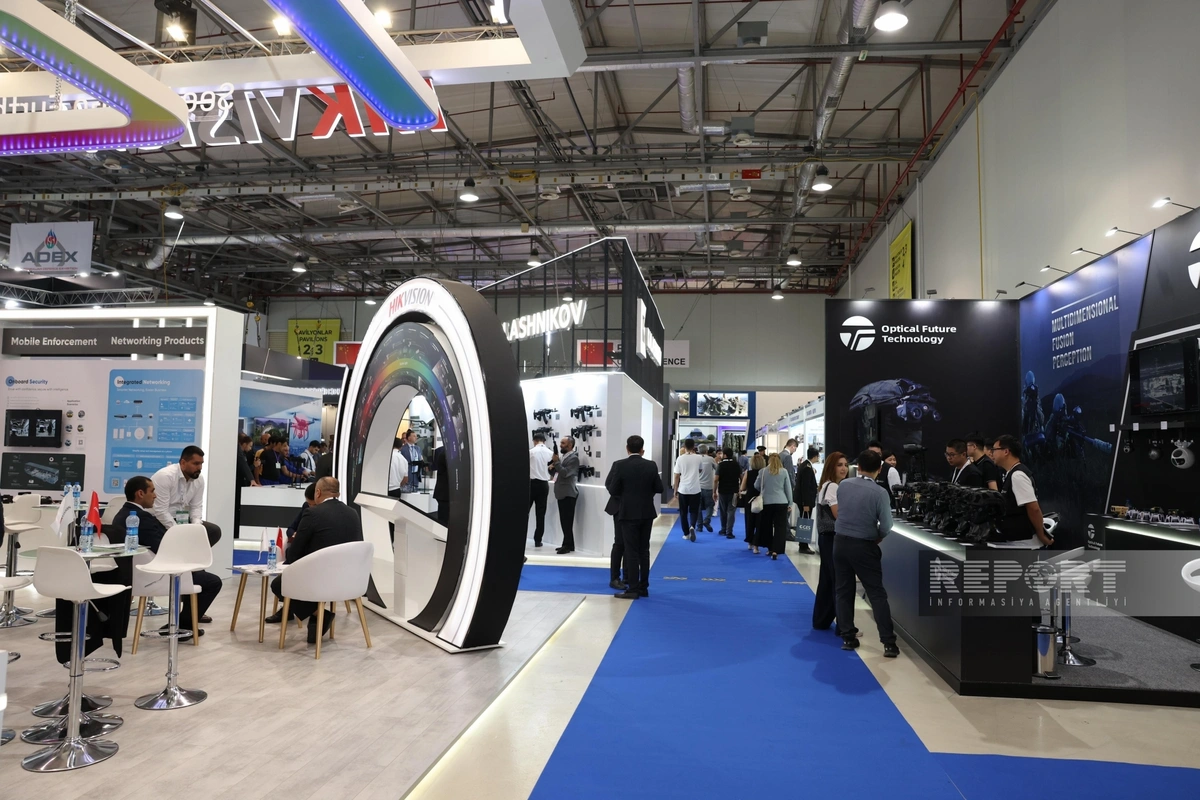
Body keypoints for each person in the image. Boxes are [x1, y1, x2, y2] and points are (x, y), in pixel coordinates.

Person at [113, 476, 222, 632]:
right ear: (140, 494)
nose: (155, 495)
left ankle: (181, 624)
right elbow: (162, 547)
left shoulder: (121, 515)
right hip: (157, 574)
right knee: (213, 582)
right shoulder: (141, 518)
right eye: (152, 491)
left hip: (137, 572)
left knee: (198, 573)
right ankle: (182, 626)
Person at [269, 477, 363, 643]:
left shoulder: (313, 513)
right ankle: (315, 620)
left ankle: (319, 615)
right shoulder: (353, 513)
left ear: (317, 492)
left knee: (278, 584)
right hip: (349, 581)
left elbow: (294, 553)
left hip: (319, 579)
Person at [833, 449, 899, 658]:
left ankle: (848, 637)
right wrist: (877, 536)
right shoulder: (880, 493)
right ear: (879, 469)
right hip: (864, 545)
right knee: (876, 593)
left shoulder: (844, 485)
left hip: (840, 542)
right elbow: (887, 525)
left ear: (858, 467)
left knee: (843, 591)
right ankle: (888, 643)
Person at [605, 435, 663, 599]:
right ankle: (643, 587)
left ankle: (632, 588)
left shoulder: (620, 465)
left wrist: (627, 495)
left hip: (628, 513)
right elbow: (659, 488)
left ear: (627, 448)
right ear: (642, 449)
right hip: (646, 513)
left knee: (630, 551)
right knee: (644, 550)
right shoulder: (651, 465)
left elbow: (612, 489)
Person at [151, 446, 221, 548]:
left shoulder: (199, 479)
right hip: (160, 521)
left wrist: (196, 527)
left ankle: (190, 555)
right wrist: (178, 530)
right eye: (196, 464)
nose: (200, 468)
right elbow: (160, 511)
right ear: (183, 463)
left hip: (181, 520)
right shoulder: (165, 476)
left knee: (213, 531)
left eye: (201, 464)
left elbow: (196, 507)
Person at [991, 434, 1051, 545]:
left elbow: (1033, 508)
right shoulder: (1011, 473)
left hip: (1023, 542)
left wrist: (1041, 534)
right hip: (1015, 539)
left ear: (1006, 451)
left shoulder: (1017, 475)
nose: (991, 453)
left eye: (994, 450)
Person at [811, 452, 848, 633]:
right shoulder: (832, 486)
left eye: (845, 465)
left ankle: (821, 620)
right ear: (831, 467)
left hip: (826, 538)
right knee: (838, 582)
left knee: (827, 580)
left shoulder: (826, 485)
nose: (844, 468)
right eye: (839, 465)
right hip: (832, 537)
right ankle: (844, 626)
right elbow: (838, 515)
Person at [754, 453, 793, 560]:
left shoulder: (762, 471)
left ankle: (770, 548)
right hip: (781, 502)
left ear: (768, 461)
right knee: (780, 527)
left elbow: (756, 485)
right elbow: (788, 489)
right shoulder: (784, 472)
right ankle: (776, 550)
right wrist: (790, 503)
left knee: (767, 526)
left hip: (766, 503)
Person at [672, 439, 704, 541]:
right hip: (695, 489)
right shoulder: (699, 457)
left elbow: (676, 475)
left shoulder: (680, 458)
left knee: (683, 512)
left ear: (684, 446)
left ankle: (686, 534)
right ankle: (692, 526)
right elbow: (700, 470)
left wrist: (675, 489)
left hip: (683, 489)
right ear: (694, 446)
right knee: (694, 510)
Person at [553, 436, 580, 553]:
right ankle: (568, 544)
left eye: (563, 443)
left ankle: (567, 546)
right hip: (562, 492)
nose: (560, 445)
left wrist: (556, 463)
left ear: (570, 445)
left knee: (567, 521)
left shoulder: (573, 459)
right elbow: (558, 472)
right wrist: (553, 466)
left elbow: (565, 473)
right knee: (564, 520)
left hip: (568, 493)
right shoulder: (564, 457)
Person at [528, 433, 554, 547]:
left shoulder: (531, 452)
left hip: (531, 484)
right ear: (544, 441)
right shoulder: (550, 453)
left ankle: (520, 537)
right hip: (544, 485)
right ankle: (538, 540)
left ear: (534, 441)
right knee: (541, 514)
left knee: (525, 512)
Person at [739, 451, 766, 551]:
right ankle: (756, 546)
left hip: (750, 498)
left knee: (749, 520)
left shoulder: (748, 473)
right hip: (761, 498)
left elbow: (742, 487)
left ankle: (750, 542)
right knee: (760, 522)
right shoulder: (764, 473)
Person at [714, 448, 742, 539]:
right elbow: (741, 477)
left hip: (722, 491)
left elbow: (716, 479)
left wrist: (714, 491)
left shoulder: (720, 465)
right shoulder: (736, 464)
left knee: (723, 511)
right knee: (731, 511)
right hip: (734, 491)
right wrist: (740, 489)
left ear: (725, 455)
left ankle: (723, 529)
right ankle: (729, 532)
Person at [697, 444, 717, 533]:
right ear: (707, 451)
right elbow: (717, 469)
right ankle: (707, 520)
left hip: (697, 487)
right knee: (710, 505)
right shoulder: (710, 459)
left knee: (698, 507)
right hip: (709, 486)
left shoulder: (696, 459)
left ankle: (699, 526)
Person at [431, 441, 449, 525]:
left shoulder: (444, 452)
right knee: (443, 520)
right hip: (444, 493)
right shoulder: (445, 454)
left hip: (444, 493)